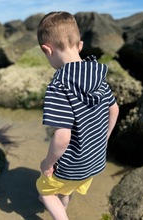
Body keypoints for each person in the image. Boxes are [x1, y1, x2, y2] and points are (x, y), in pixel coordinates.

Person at [36, 11, 119, 220]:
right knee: (65, 190)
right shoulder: (99, 76)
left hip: (71, 164)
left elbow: (62, 137)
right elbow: (114, 109)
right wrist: (105, 139)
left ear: (47, 50)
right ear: (80, 46)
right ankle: (62, 206)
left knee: (44, 191)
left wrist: (48, 162)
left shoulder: (60, 85)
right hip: (96, 160)